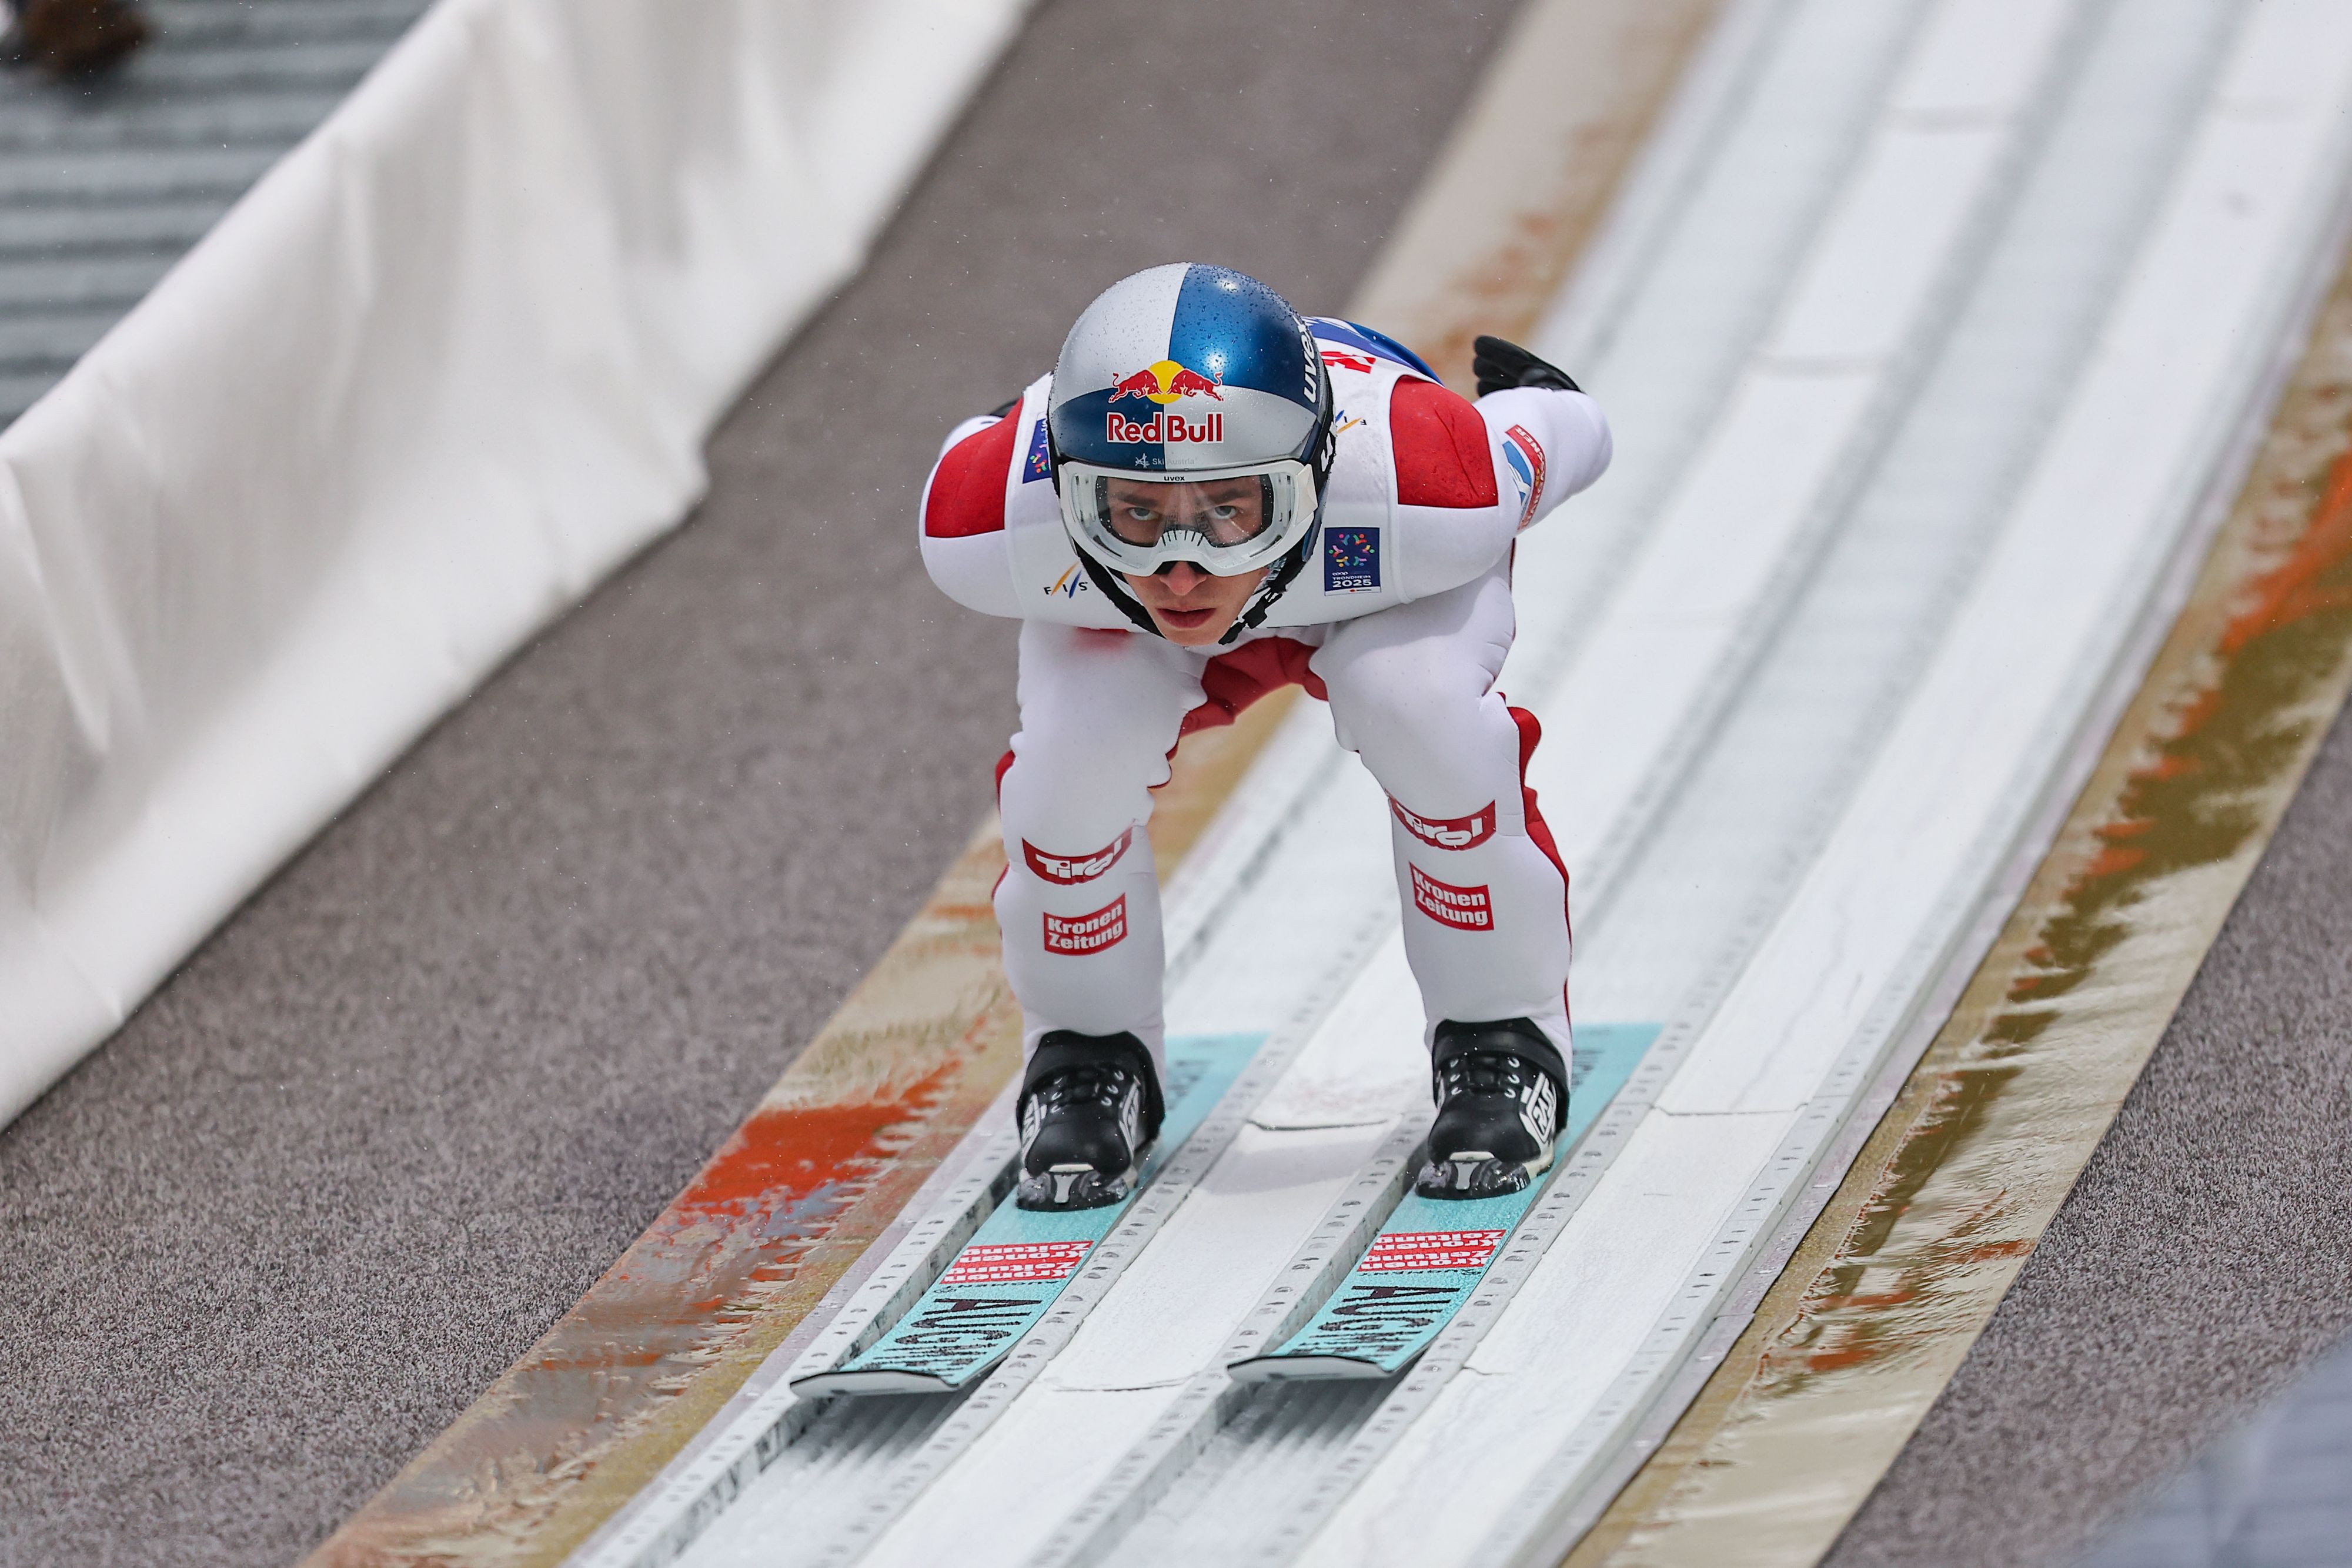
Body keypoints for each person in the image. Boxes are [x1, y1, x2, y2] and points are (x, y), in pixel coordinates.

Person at [920, 264, 1610, 1210]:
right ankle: (1085, 1047)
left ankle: (1503, 1034)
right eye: (1133, 513)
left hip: (1384, 588)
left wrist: (1539, 405)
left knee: (1418, 706)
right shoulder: (988, 514)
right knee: (1072, 765)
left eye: (1231, 511)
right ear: (1066, 492)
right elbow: (995, 441)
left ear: (1320, 474)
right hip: (1245, 590)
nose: (1183, 570)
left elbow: (1561, 436)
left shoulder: (1429, 482)